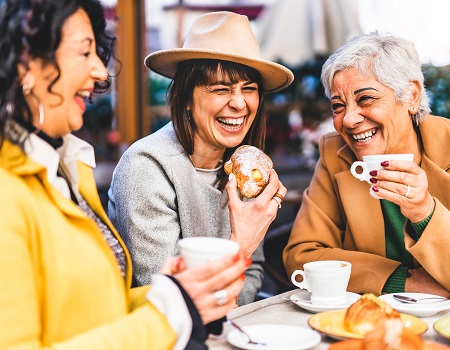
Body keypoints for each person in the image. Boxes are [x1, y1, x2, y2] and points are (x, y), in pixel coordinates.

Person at [0, 1, 253, 349]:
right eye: (84, 52)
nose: (101, 73)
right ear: (25, 63)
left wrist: (175, 293)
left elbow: (98, 311)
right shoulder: (8, 190)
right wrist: (171, 309)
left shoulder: (66, 168)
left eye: (249, 88)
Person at [108, 11, 292, 305]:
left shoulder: (244, 170)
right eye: (221, 89)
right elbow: (167, 296)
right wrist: (241, 246)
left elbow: (254, 273)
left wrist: (228, 299)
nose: (239, 103)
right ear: (186, 99)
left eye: (250, 89)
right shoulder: (146, 166)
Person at [283, 32, 450, 298]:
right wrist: (406, 282)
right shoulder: (335, 154)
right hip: (366, 321)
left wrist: (424, 212)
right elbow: (302, 256)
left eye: (366, 99)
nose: (348, 120)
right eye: (338, 106)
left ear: (411, 96)